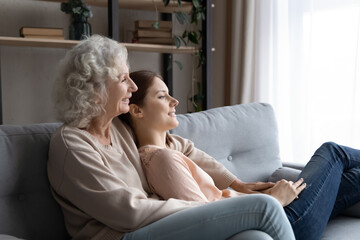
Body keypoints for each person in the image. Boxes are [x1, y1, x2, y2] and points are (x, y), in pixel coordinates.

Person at [47, 35, 295, 240]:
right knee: (266, 205)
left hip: (151, 227)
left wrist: (236, 183)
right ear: (96, 91)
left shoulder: (119, 129)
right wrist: (206, 208)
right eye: (123, 80)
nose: (133, 88)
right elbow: (128, 213)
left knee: (255, 238)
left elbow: (179, 147)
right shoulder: (72, 145)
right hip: (124, 235)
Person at [119, 70, 360, 240]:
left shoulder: (171, 147)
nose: (175, 101)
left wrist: (240, 185)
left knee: (353, 178)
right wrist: (275, 199)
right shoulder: (161, 159)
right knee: (332, 151)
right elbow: (205, 218)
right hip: (278, 221)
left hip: (271, 213)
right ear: (137, 110)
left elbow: (191, 151)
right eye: (162, 96)